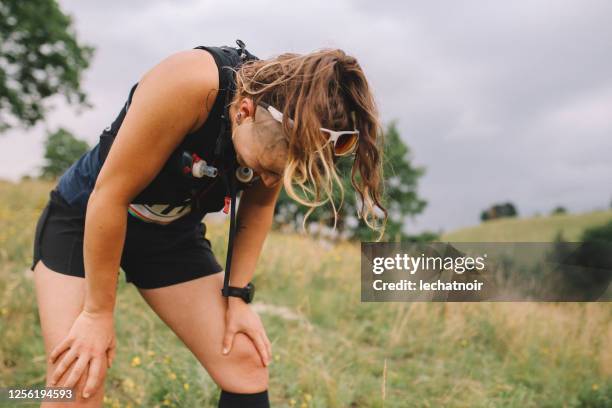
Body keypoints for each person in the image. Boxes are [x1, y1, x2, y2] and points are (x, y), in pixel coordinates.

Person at [30, 40, 387, 407]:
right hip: (86, 216)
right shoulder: (190, 82)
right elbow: (109, 196)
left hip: (169, 235)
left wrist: (237, 296)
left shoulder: (285, 109)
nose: (267, 181)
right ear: (243, 111)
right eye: (265, 170)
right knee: (78, 382)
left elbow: (259, 207)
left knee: (246, 364)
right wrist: (97, 313)